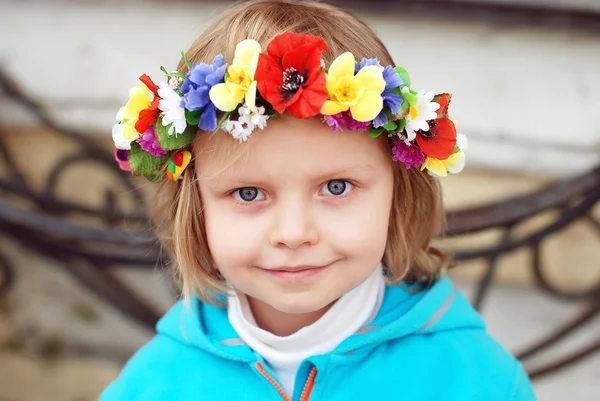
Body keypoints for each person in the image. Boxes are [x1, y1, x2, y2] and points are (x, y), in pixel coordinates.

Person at [102, 0, 536, 399]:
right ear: (196, 208)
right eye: (249, 193)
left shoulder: (476, 381)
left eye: (336, 187)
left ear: (398, 191)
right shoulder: (154, 385)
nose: (294, 234)